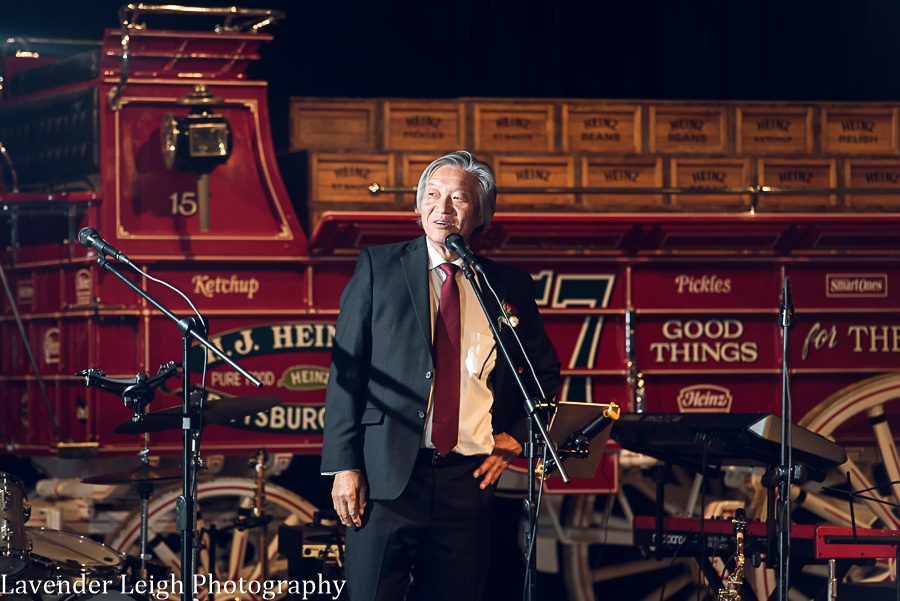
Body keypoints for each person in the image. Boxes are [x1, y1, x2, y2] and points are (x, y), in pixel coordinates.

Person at [321, 150, 560, 601]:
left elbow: (542, 372)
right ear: (417, 206)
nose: (442, 208)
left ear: (480, 213)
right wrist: (345, 465)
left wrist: (515, 437)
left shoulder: (506, 285)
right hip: (387, 478)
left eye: (458, 198)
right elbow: (346, 374)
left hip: (466, 483)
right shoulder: (378, 268)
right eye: (431, 195)